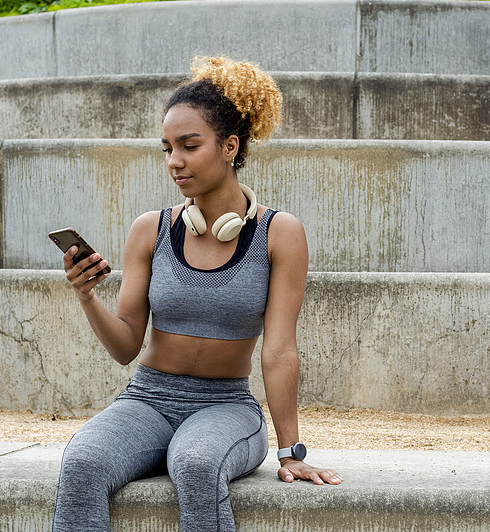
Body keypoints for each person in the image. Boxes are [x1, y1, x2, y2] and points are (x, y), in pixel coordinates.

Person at [52, 56, 341, 532]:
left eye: (189, 145)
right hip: (147, 399)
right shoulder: (150, 230)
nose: (175, 161)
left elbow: (279, 350)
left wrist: (291, 452)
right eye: (167, 148)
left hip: (227, 406)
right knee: (83, 462)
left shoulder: (279, 233)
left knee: (196, 462)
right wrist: (87, 297)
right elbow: (125, 346)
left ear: (230, 146)